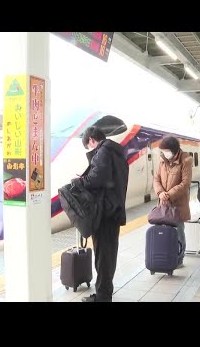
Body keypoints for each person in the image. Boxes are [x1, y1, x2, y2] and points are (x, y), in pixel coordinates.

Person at [72, 126, 129, 302]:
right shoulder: (117, 152)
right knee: (108, 255)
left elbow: (97, 178)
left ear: (91, 140)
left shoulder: (103, 151)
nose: (91, 151)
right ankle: (105, 291)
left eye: (89, 148)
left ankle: (103, 296)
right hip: (114, 210)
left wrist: (79, 181)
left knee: (103, 256)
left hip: (105, 213)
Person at [153, 136, 193, 267]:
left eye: (166, 151)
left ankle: (179, 259)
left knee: (178, 233)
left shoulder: (186, 160)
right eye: (162, 151)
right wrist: (160, 193)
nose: (164, 153)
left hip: (178, 205)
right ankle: (166, 256)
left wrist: (169, 194)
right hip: (163, 204)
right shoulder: (162, 160)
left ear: (174, 150)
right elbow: (156, 179)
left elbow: (185, 183)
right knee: (164, 233)